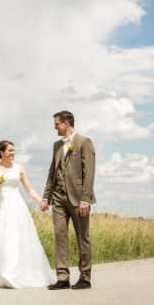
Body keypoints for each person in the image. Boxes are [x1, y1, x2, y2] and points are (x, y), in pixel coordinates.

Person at [0, 140, 55, 288]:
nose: (13, 153)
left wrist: (41, 202)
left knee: (16, 236)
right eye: (10, 150)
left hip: (16, 206)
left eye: (13, 150)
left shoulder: (19, 169)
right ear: (1, 152)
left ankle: (14, 272)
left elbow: (29, 190)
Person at [40, 110, 96, 290]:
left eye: (57, 124)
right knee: (59, 236)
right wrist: (46, 197)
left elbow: (89, 173)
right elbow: (52, 172)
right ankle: (62, 277)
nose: (55, 128)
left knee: (82, 237)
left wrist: (85, 199)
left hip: (79, 199)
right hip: (58, 198)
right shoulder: (57, 145)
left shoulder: (84, 142)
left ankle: (85, 277)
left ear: (66, 123)